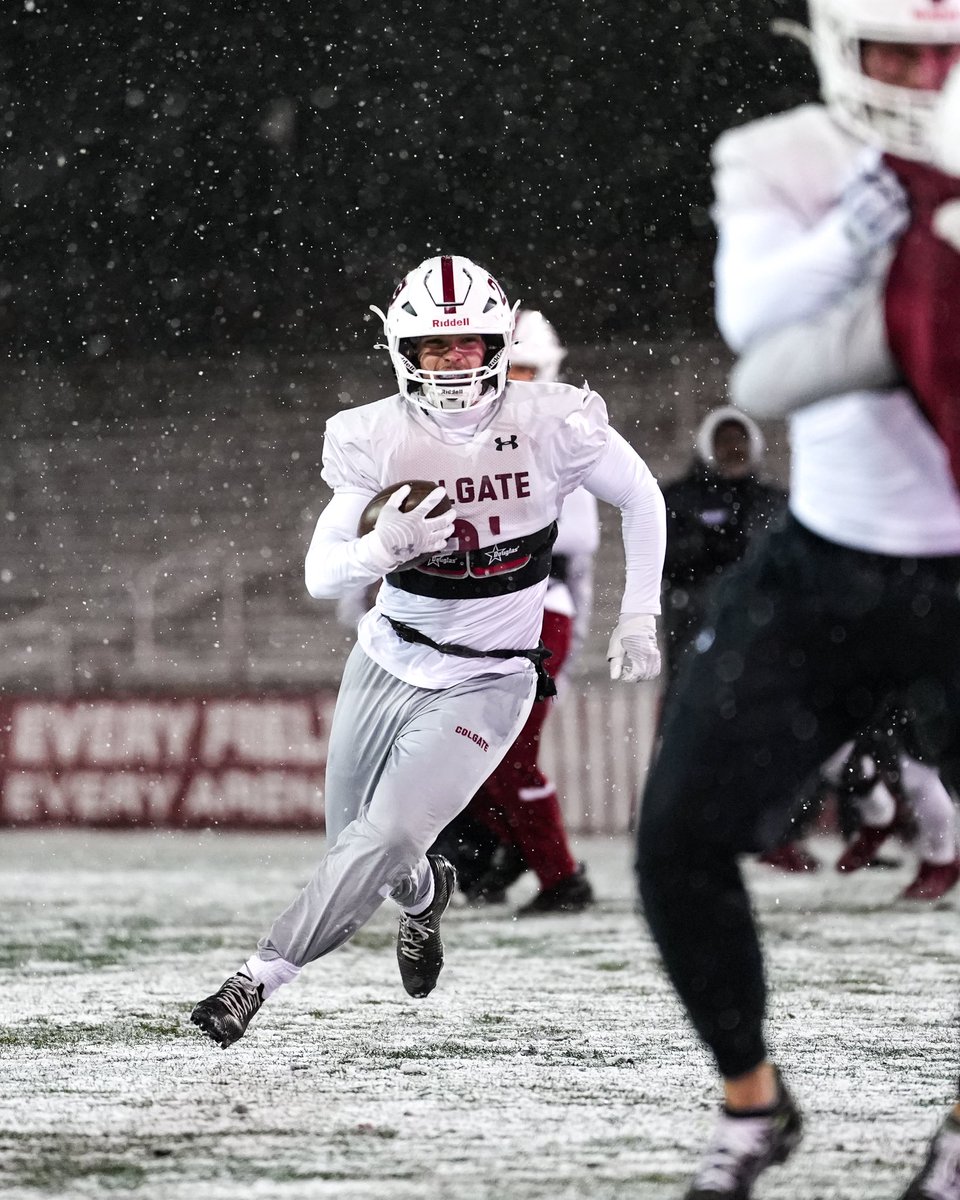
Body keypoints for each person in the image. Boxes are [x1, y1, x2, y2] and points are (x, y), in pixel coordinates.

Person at [634, 3, 960, 1197]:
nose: (924, 79)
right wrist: (851, 240)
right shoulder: (782, 157)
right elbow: (751, 324)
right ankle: (752, 1104)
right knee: (674, 843)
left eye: (944, 54)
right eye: (899, 55)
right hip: (828, 565)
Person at [190, 254, 666, 1048]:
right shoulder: (375, 435)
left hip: (488, 679)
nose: (452, 365)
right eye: (435, 349)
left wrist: (638, 613)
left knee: (377, 841)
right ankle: (425, 892)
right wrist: (383, 549)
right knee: (364, 848)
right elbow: (319, 572)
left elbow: (641, 495)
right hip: (385, 659)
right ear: (403, 352)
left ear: (496, 344)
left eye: (469, 346)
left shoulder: (553, 420)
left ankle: (255, 979)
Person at [433, 309, 603, 915]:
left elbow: (573, 559)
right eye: (513, 368)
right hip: (489, 608)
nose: (520, 382)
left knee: (509, 753)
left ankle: (558, 875)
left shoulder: (564, 435)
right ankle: (512, 858)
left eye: (531, 368)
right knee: (478, 750)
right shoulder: (465, 434)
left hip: (534, 607)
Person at [659, 408, 819, 874]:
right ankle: (687, 830)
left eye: (740, 442)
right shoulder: (677, 498)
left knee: (770, 735)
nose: (734, 451)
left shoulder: (775, 501)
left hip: (765, 636)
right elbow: (667, 558)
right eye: (724, 441)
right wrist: (714, 544)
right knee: (694, 736)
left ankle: (778, 834)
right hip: (697, 635)